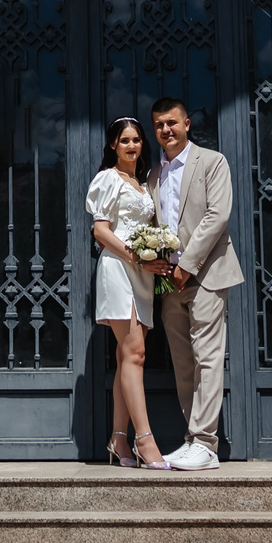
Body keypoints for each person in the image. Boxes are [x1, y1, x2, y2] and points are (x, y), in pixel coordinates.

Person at [148, 96, 241, 472]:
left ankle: (206, 442)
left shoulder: (212, 162)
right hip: (169, 281)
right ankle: (193, 439)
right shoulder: (154, 175)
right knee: (182, 362)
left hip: (207, 272)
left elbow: (217, 215)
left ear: (187, 123)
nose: (166, 130)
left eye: (172, 122)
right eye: (159, 125)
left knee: (207, 357)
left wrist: (187, 264)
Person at [86, 116, 168, 469]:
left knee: (126, 357)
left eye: (136, 140)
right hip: (119, 268)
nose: (132, 146)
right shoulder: (108, 179)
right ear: (112, 146)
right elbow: (101, 231)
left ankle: (118, 439)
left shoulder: (143, 182)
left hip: (144, 275)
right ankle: (145, 440)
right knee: (135, 354)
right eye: (124, 141)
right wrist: (136, 256)